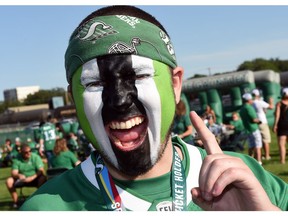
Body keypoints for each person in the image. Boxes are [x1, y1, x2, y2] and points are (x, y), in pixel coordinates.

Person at [20, 5, 287, 211]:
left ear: (175, 84)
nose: (119, 100)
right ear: (73, 99)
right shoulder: (46, 207)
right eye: (95, 83)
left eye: (138, 76)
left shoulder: (247, 180)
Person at [6, 144, 46, 209]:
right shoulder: (17, 159)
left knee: (43, 178)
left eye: (30, 151)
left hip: (35, 177)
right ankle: (16, 202)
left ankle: (42, 200)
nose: (28, 153)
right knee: (9, 181)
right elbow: (13, 172)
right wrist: (18, 175)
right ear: (21, 152)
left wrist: (31, 178)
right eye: (26, 152)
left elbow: (41, 170)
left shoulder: (35, 157)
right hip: (22, 179)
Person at [239, 93, 263, 165]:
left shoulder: (242, 109)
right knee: (258, 145)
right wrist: (259, 121)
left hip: (247, 129)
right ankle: (259, 162)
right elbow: (254, 119)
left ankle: (249, 162)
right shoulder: (249, 107)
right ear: (249, 100)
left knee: (251, 146)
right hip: (254, 129)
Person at [252, 88, 274, 160]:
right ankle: (267, 156)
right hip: (262, 122)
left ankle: (258, 156)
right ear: (258, 95)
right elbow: (271, 107)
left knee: (258, 140)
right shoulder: (260, 102)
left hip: (256, 123)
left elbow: (264, 111)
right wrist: (271, 101)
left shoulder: (251, 103)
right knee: (265, 140)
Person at [273, 87, 288, 164]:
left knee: (282, 144)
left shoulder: (279, 103)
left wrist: (275, 125)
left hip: (282, 125)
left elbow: (277, 115)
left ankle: (282, 160)